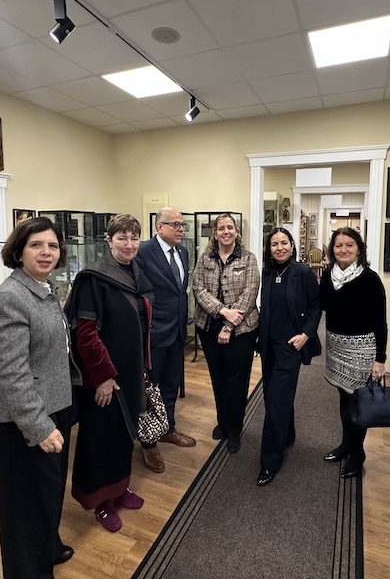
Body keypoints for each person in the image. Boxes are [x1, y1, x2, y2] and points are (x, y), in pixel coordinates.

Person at [0, 217, 80, 578]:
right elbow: (11, 373)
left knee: (47, 491)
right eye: (36, 245)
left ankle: (47, 548)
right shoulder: (8, 300)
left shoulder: (43, 288)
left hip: (53, 404)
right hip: (22, 419)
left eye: (53, 246)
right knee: (24, 505)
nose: (46, 252)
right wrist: (38, 426)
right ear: (18, 252)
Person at [64, 214, 154, 533]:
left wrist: (142, 366)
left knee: (123, 434)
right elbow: (86, 335)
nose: (129, 244)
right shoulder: (93, 279)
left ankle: (118, 490)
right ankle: (100, 501)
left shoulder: (136, 272)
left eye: (134, 237)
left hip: (129, 371)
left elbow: (140, 325)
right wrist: (103, 376)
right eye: (122, 238)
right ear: (108, 240)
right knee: (100, 438)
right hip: (103, 377)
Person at [320, 227, 387, 479]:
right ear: (332, 250)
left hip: (362, 351)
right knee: (344, 398)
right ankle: (346, 445)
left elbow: (381, 321)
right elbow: (321, 306)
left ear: (359, 249)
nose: (343, 250)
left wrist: (380, 359)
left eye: (349, 245)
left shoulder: (370, 279)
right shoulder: (328, 277)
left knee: (357, 404)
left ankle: (357, 454)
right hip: (336, 348)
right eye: (338, 245)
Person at [256, 227, 321, 486]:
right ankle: (287, 435)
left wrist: (306, 334)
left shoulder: (302, 272)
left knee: (278, 400)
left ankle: (269, 462)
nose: (279, 248)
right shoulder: (267, 272)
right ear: (269, 249)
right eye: (274, 244)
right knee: (272, 395)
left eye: (284, 243)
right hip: (268, 345)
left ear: (292, 246)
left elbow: (316, 306)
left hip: (290, 346)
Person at [191, 213, 260, 454]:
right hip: (209, 327)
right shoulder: (205, 259)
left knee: (236, 380)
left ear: (236, 231)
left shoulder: (248, 259)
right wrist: (221, 310)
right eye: (221, 228)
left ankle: (234, 428)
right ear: (215, 233)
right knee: (217, 376)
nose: (226, 232)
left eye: (230, 227)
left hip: (242, 329)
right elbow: (198, 288)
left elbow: (250, 293)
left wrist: (229, 325)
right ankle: (222, 421)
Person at [135, 207, 196, 473]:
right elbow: (139, 292)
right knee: (151, 388)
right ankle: (148, 443)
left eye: (183, 225)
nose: (181, 229)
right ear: (160, 227)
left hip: (178, 330)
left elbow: (179, 292)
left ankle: (167, 428)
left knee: (172, 383)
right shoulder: (143, 251)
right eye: (175, 225)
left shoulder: (183, 251)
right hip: (155, 332)